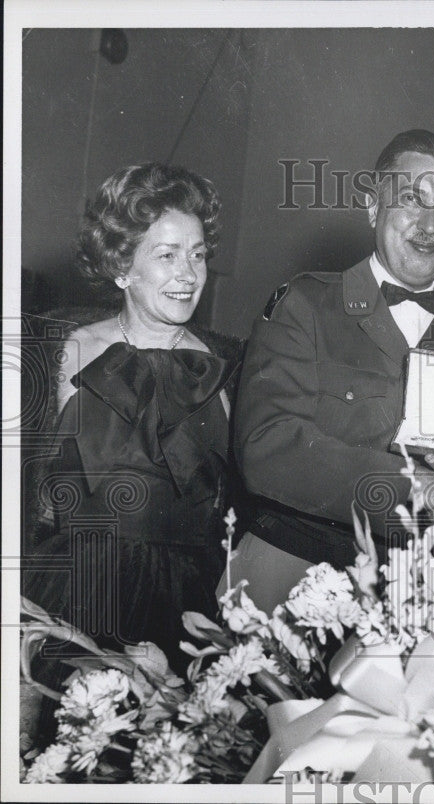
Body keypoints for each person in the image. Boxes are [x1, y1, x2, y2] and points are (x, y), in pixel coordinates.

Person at [230, 129, 434, 612]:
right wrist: (422, 490)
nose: (429, 223)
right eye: (411, 200)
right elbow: (267, 449)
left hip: (407, 597)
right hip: (290, 580)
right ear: (373, 207)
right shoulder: (307, 303)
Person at [22, 163, 242, 671]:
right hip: (74, 590)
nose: (189, 274)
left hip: (189, 604)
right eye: (167, 256)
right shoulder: (60, 350)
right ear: (122, 266)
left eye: (198, 255)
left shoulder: (232, 368)